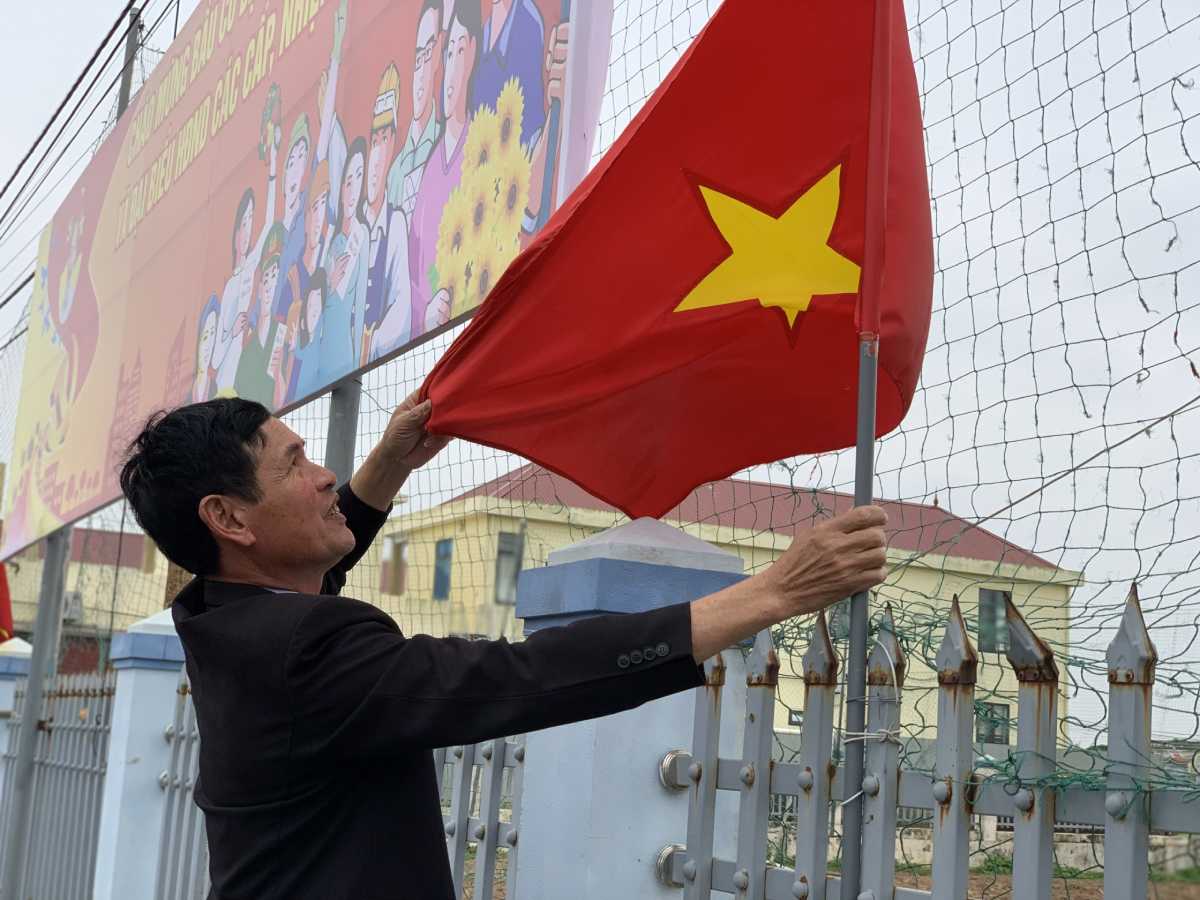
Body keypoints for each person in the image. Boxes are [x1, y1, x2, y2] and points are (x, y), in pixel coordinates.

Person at [118, 394, 888, 899]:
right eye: (295, 465)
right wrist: (772, 594)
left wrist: (388, 464)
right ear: (227, 519)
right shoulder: (305, 649)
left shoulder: (221, 615)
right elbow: (517, 677)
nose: (325, 478)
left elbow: (303, 570)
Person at [409, 1, 480, 336]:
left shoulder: (485, 148)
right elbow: (414, 273)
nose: (451, 74)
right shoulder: (429, 174)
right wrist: (425, 309)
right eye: (447, 53)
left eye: (460, 50)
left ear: (474, 55)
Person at [214, 136, 278, 394]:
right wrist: (231, 332)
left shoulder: (253, 264)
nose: (248, 227)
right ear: (235, 231)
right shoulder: (230, 287)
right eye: (244, 221)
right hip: (226, 388)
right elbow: (216, 359)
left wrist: (273, 172)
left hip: (246, 382)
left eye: (252, 218)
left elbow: (271, 219)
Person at [389, 0, 444, 221]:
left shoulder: (444, 147)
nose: (421, 72)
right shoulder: (395, 173)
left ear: (439, 51)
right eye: (418, 57)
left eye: (429, 53)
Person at [325, 138, 369, 372]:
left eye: (359, 177)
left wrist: (358, 362)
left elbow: (360, 307)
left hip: (345, 354)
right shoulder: (330, 245)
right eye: (348, 181)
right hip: (321, 356)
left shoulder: (361, 237)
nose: (353, 190)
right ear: (341, 188)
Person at [284, 268, 327, 403]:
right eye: (311, 304)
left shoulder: (320, 341)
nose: (314, 310)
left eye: (318, 302)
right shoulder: (299, 348)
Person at [191, 295, 221, 403]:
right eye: (205, 336)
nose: (209, 344)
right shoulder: (188, 389)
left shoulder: (214, 388)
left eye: (213, 334)